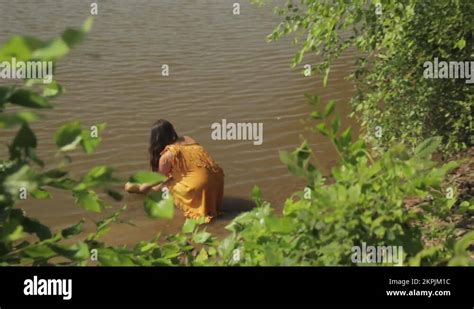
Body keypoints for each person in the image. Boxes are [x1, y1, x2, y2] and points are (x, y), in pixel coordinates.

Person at [124, 119, 224, 223]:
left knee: (161, 189)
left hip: (198, 186)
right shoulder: (188, 139)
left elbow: (159, 179)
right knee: (171, 180)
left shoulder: (167, 155)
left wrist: (142, 187)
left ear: (156, 139)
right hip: (217, 180)